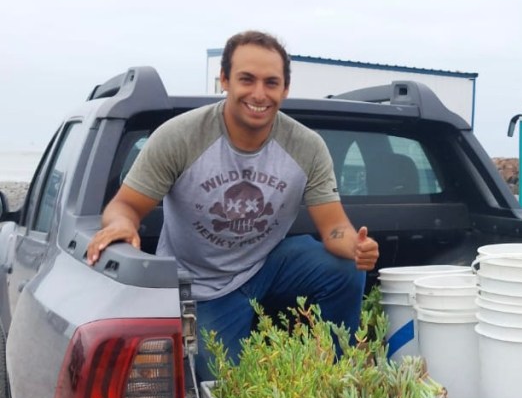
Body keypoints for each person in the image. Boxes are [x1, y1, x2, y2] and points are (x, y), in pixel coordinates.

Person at [86, 30, 379, 380]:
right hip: (201, 284)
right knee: (224, 388)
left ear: (285, 89)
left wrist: (356, 246)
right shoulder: (181, 136)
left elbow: (334, 228)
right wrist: (121, 225)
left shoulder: (307, 146)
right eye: (247, 79)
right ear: (224, 80)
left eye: (271, 82)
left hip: (266, 265)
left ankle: (334, 375)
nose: (259, 93)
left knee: (343, 268)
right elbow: (126, 206)